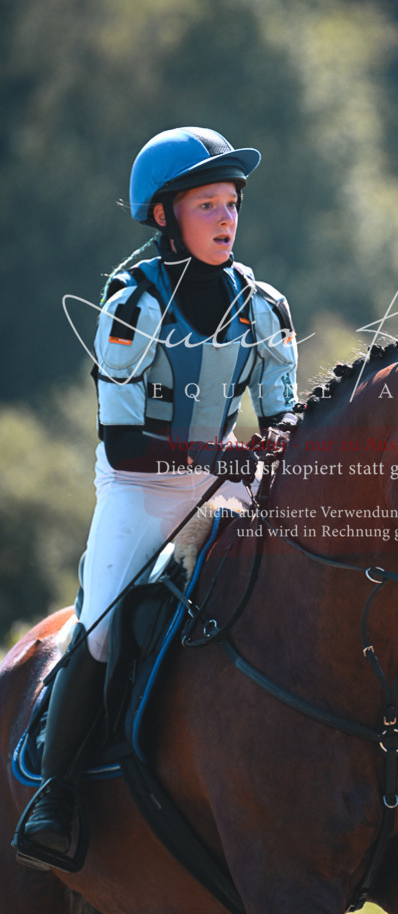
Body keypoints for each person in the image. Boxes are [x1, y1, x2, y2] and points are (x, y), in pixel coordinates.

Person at [19, 126, 298, 859]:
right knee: (103, 625)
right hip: (141, 493)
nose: (227, 218)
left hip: (225, 489)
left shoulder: (265, 308)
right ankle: (56, 796)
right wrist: (223, 456)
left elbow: (282, 422)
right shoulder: (129, 304)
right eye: (206, 204)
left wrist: (283, 447)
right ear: (163, 216)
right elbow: (124, 442)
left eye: (232, 202)